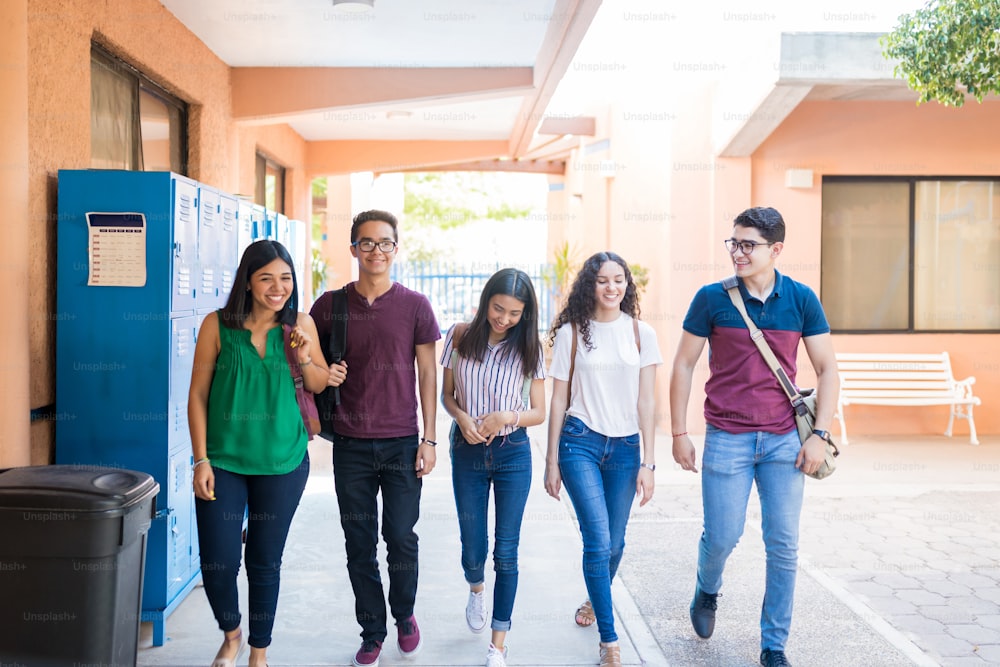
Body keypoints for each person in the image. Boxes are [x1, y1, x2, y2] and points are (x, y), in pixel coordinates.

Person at [669, 207, 838, 667]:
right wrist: (680, 431)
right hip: (727, 436)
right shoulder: (711, 298)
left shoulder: (801, 299)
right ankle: (708, 587)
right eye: (734, 243)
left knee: (783, 544)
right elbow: (683, 364)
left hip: (786, 439)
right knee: (723, 535)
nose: (738, 252)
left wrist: (819, 433)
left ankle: (774, 645)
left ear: (775, 250)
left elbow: (827, 369)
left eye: (748, 245)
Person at [188, 239, 329, 667]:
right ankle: (231, 633)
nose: (277, 287)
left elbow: (320, 383)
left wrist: (304, 355)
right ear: (248, 282)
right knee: (218, 562)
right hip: (224, 462)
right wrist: (200, 460)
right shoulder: (217, 325)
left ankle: (258, 652)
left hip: (283, 463)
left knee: (265, 561)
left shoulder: (300, 325)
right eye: (266, 278)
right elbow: (197, 395)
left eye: (285, 278)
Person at [310, 209, 440, 667]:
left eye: (385, 243)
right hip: (349, 444)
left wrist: (430, 439)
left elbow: (427, 372)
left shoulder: (415, 306)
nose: (376, 251)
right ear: (353, 249)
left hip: (403, 441)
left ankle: (403, 613)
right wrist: (326, 373)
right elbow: (304, 360)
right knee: (358, 541)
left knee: (401, 536)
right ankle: (372, 630)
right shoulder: (329, 306)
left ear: (396, 249)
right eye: (367, 243)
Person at [544, 251, 662, 667]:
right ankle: (610, 642)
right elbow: (558, 398)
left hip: (627, 449)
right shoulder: (572, 333)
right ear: (588, 285)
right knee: (597, 540)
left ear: (627, 284)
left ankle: (595, 600)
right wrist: (551, 460)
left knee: (615, 543)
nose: (612, 288)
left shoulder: (641, 333)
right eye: (602, 280)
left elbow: (648, 402)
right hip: (580, 442)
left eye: (619, 280)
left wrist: (649, 462)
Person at [440, 268, 546, 667]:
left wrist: (506, 416)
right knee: (473, 549)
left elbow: (539, 411)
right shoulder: (459, 335)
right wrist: (462, 418)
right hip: (467, 451)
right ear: (486, 302)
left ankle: (497, 645)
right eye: (498, 308)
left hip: (512, 453)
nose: (504, 319)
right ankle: (476, 588)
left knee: (507, 552)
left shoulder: (529, 346)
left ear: (525, 314)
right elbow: (448, 395)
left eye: (514, 313)